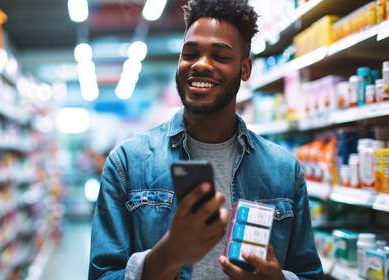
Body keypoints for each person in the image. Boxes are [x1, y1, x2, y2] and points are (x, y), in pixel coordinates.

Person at [88, 0, 324, 279]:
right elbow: (102, 275)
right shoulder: (128, 163)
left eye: (220, 56)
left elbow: (309, 272)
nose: (200, 64)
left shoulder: (283, 171)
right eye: (190, 53)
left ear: (245, 69)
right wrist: (168, 255)